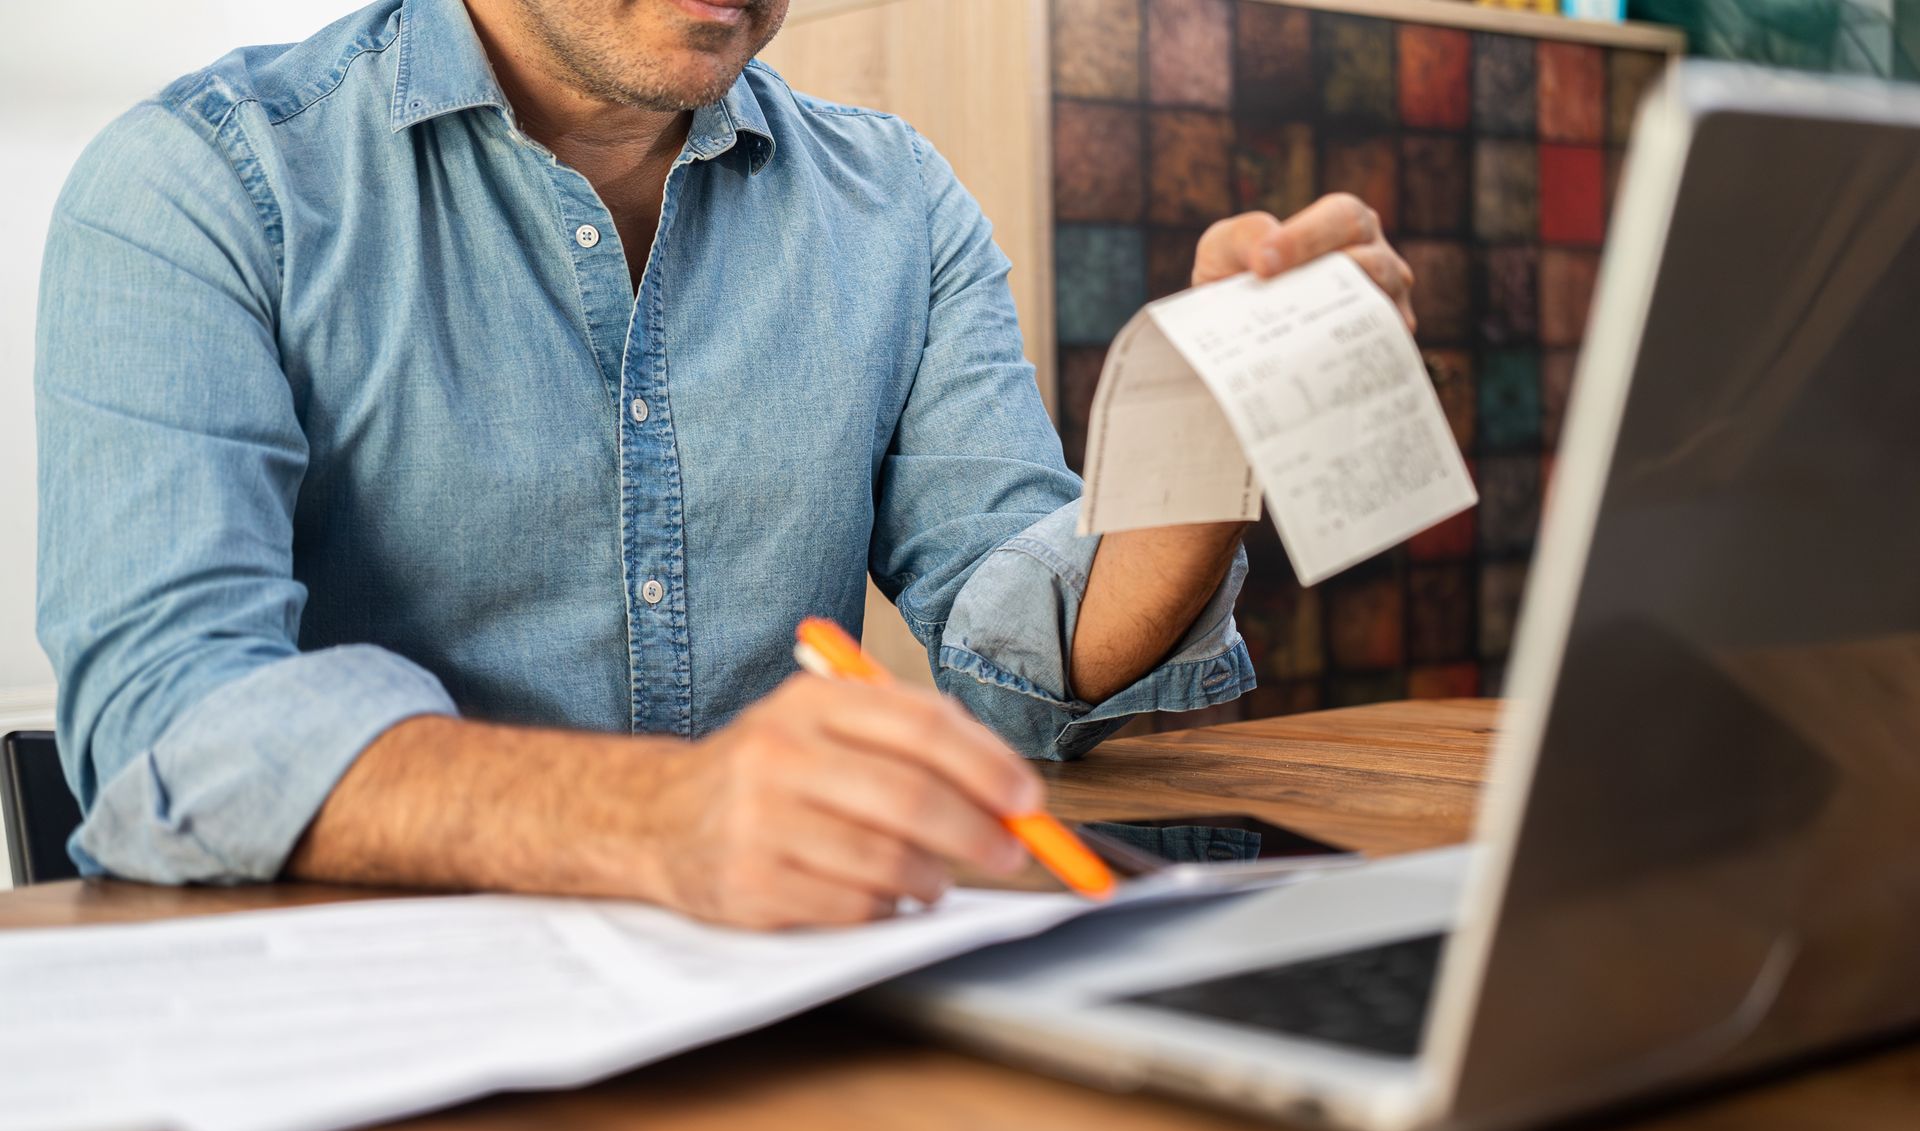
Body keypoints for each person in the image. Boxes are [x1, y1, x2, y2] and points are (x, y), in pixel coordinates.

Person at [35, 0, 1415, 927]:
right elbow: (166, 722)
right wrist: (664, 815)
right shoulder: (200, 185)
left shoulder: (898, 202)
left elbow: (1015, 654)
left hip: (790, 1004)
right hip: (367, 1055)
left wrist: (1198, 440)